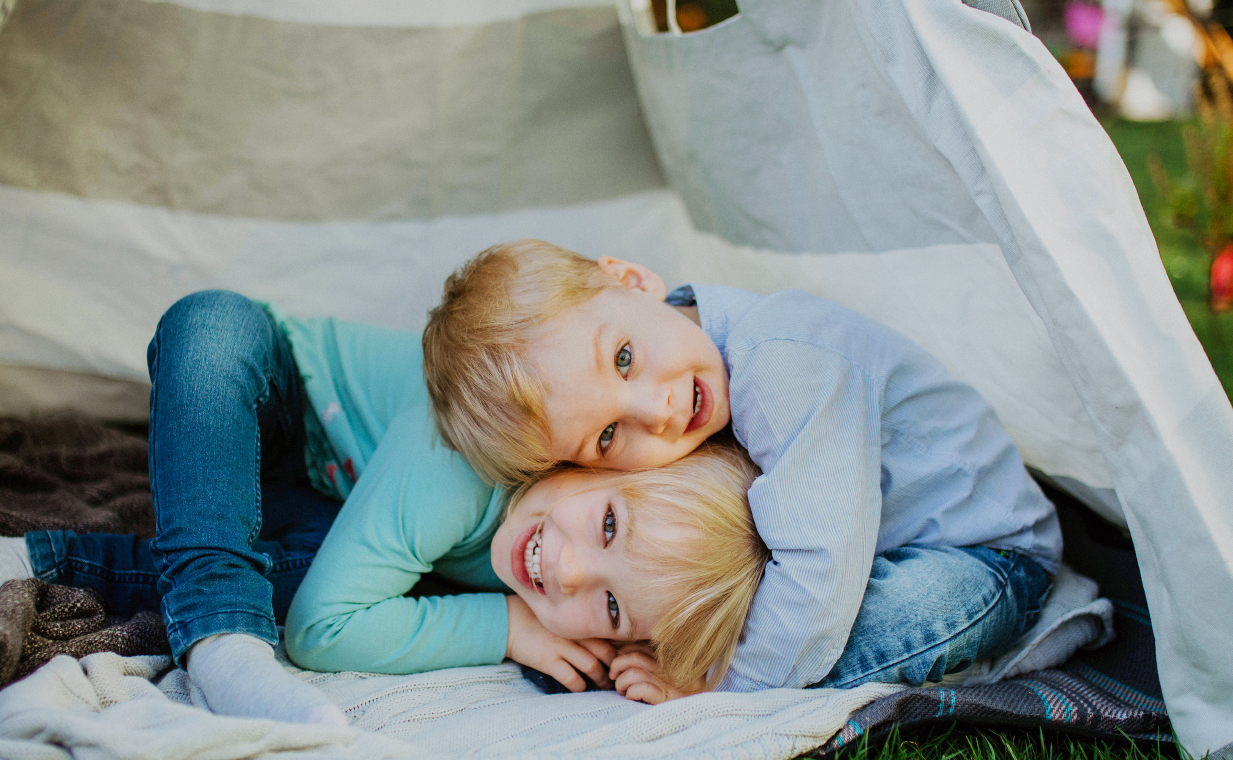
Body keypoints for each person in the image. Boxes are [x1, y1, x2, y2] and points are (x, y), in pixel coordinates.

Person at [0, 291, 769, 715]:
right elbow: (324, 632)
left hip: (326, 509)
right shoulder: (468, 464)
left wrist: (682, 674)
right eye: (608, 520)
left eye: (610, 606)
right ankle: (221, 640)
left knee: (297, 568)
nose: (568, 569)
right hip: (276, 406)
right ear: (594, 451)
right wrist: (507, 626)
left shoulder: (555, 538)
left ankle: (30, 555)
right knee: (209, 325)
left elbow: (327, 598)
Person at [422, 239, 1065, 701]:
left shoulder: (783, 366)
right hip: (851, 544)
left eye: (623, 358)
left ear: (630, 279)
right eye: (609, 435)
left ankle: (741, 673)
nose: (660, 409)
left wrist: (714, 682)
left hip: (984, 555)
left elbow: (818, 574)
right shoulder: (686, 375)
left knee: (899, 613)